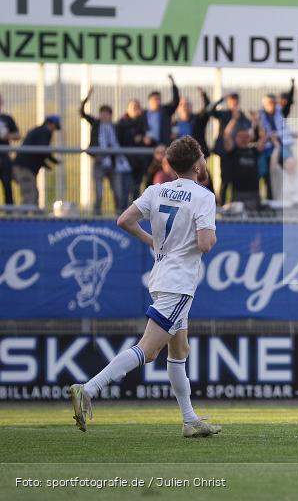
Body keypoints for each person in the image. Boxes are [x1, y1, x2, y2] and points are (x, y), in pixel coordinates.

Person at [67, 136, 220, 438]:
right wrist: (210, 237)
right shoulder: (203, 196)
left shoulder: (156, 190)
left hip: (161, 277)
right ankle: (88, 389)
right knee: (148, 351)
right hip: (178, 283)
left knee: (179, 350)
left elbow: (124, 220)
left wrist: (152, 241)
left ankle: (189, 420)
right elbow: (205, 244)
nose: (204, 160)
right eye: (202, 156)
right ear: (197, 165)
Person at [81, 87, 132, 213]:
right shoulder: (96, 124)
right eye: (102, 113)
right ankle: (97, 214)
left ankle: (118, 215)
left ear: (110, 115)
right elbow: (82, 113)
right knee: (99, 192)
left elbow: (130, 125)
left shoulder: (115, 127)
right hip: (99, 161)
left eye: (106, 113)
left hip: (114, 163)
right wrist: (87, 97)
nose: (104, 116)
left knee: (118, 192)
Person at [12, 116, 61, 208]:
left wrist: (46, 164)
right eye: (54, 126)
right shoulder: (44, 132)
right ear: (50, 124)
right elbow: (43, 150)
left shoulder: (38, 131)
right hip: (24, 168)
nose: (54, 130)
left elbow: (38, 152)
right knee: (30, 195)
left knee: (33, 194)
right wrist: (54, 161)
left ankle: (29, 215)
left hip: (23, 167)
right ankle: (22, 216)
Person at [211, 92, 251, 204]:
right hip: (225, 153)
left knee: (236, 180)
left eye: (235, 101)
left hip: (238, 153)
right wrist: (221, 99)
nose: (234, 103)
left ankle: (235, 203)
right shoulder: (224, 114)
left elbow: (248, 128)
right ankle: (222, 203)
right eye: (231, 101)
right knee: (225, 179)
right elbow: (211, 110)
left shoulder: (242, 116)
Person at [223, 109, 266, 212]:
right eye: (240, 136)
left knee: (255, 217)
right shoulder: (233, 151)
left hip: (253, 192)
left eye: (246, 136)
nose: (243, 139)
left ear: (250, 138)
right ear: (236, 138)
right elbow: (226, 136)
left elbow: (263, 138)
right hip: (238, 193)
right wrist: (234, 119)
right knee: (237, 218)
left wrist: (258, 122)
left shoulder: (254, 150)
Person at [117, 99, 149, 203]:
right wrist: (134, 138)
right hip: (126, 162)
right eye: (134, 107)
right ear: (128, 109)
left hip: (139, 162)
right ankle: (122, 210)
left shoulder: (142, 122)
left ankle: (134, 210)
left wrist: (142, 138)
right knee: (125, 188)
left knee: (136, 188)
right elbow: (122, 140)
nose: (136, 109)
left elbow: (147, 135)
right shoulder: (122, 122)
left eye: (138, 107)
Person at [144, 75, 180, 146]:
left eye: (159, 99)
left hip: (164, 146)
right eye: (155, 99)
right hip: (149, 147)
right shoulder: (144, 114)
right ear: (149, 101)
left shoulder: (166, 111)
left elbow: (176, 100)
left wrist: (173, 83)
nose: (158, 101)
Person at [0, 93, 21, 205]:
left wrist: (6, 136)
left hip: (4, 156)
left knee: (7, 184)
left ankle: (9, 210)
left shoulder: (7, 119)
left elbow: (18, 135)